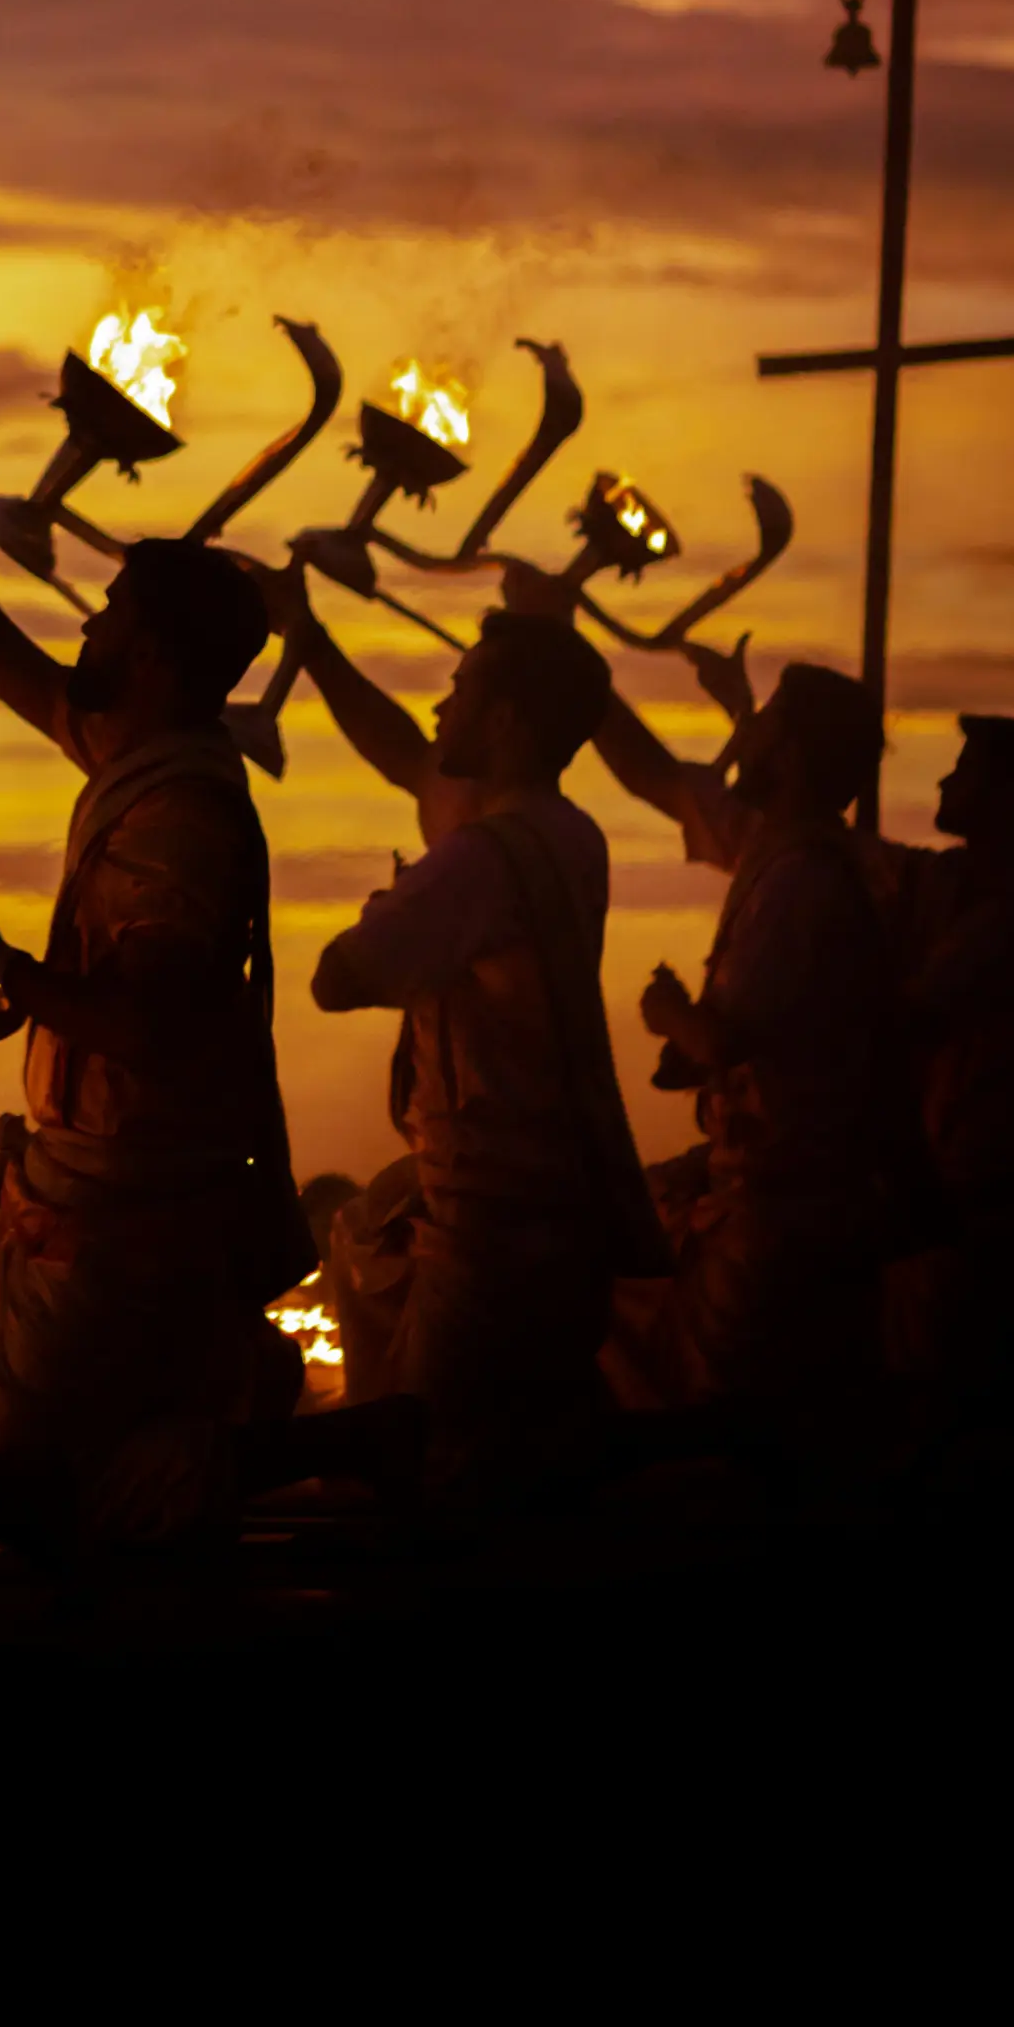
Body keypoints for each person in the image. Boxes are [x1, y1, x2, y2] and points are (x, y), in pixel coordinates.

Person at [0, 441, 308, 1546]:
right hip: (95, 1227)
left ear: (146, 653)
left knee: (39, 1520)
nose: (82, 629)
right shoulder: (137, 761)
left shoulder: (177, 819)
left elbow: (152, 1026)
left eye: (104, 613)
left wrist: (6, 969)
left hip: (116, 1251)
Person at [284, 583, 664, 1477]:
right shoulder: (575, 836)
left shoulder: (480, 860)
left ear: (506, 723)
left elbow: (338, 978)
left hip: (487, 1241)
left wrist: (390, 907)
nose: (439, 705)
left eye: (460, 690)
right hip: (561, 1227)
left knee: (439, 1469)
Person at [596, 659, 906, 1415]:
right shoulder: (781, 853)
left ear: (789, 758)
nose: (745, 737)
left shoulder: (801, 883)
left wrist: (669, 1012)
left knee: (721, 1426)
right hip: (781, 1208)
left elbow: (726, 1043)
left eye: (762, 721)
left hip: (775, 1223)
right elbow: (657, 775)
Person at [884, 716, 1014, 1393]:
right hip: (971, 1216)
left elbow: (904, 1017)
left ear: (1004, 797)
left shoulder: (1007, 922)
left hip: (982, 1224)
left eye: (964, 768)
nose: (944, 777)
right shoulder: (962, 888)